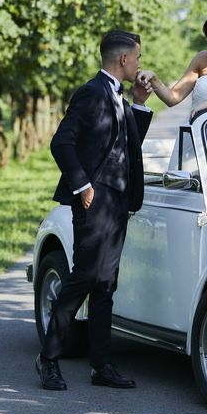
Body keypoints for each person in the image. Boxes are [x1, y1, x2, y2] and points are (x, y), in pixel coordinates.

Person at [35, 30, 153, 391]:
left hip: (119, 201)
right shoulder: (91, 92)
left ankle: (101, 366)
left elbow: (126, 145)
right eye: (137, 58)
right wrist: (81, 185)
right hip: (94, 200)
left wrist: (141, 104)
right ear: (123, 60)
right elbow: (61, 142)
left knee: (105, 285)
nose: (139, 64)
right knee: (83, 278)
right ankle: (49, 359)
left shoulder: (119, 95)